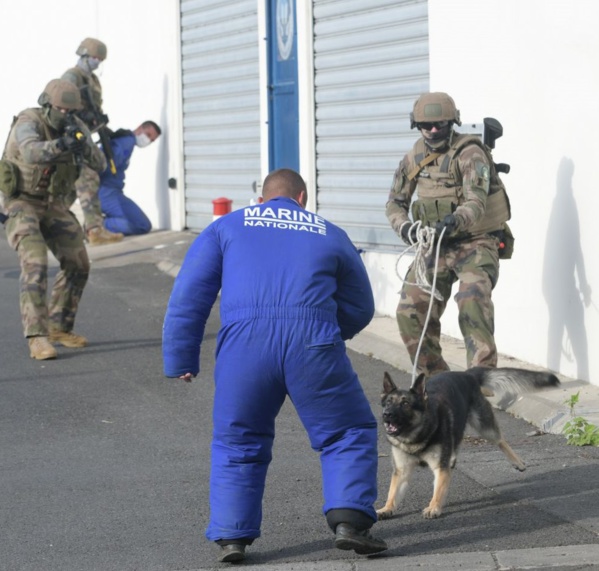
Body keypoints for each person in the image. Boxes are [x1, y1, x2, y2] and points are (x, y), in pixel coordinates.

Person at [162, 168, 387, 563]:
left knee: (239, 439)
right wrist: (331, 334)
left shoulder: (226, 227)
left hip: (243, 345)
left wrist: (181, 357)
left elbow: (189, 295)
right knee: (346, 430)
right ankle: (350, 521)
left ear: (261, 200)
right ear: (302, 199)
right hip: (313, 342)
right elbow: (361, 305)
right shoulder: (327, 231)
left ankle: (232, 538)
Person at [386, 92, 511, 378]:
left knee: (472, 300)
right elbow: (395, 202)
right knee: (409, 311)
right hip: (435, 244)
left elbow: (476, 202)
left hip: (475, 241)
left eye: (439, 125)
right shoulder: (415, 156)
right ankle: (437, 382)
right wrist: (403, 226)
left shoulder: (470, 153)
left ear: (451, 123)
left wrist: (455, 220)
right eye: (426, 126)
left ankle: (480, 383)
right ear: (416, 125)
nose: (432, 131)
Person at [0, 79, 107, 360]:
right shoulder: (29, 119)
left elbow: (100, 164)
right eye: (60, 109)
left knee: (78, 263)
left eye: (70, 110)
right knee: (35, 262)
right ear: (47, 104)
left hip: (53, 204)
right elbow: (30, 152)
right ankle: (37, 337)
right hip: (21, 201)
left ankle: (60, 327)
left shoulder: (74, 125)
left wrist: (82, 145)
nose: (65, 114)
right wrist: (62, 144)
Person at [62, 37, 123, 246]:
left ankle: (49, 223)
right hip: (73, 137)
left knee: (69, 188)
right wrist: (83, 117)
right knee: (88, 179)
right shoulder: (72, 77)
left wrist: (102, 125)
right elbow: (62, 107)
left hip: (85, 136)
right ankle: (95, 231)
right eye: (95, 57)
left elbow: (94, 109)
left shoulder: (93, 80)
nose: (97, 61)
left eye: (100, 58)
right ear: (84, 55)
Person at [98, 121, 161, 235]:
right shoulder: (127, 142)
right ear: (139, 128)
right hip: (106, 192)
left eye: (152, 140)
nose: (148, 141)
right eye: (148, 135)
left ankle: (100, 223)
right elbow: (106, 166)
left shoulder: (125, 140)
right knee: (140, 225)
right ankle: (97, 226)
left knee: (144, 225)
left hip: (115, 192)